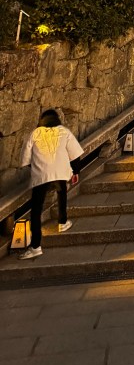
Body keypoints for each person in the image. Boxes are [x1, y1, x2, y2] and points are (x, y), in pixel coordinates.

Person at [18, 109, 84, 260]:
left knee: (36, 209)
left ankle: (36, 246)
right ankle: (63, 222)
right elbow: (75, 154)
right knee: (62, 192)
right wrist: (76, 171)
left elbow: (25, 159)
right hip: (60, 171)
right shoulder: (64, 131)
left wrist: (37, 167)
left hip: (41, 173)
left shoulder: (35, 133)